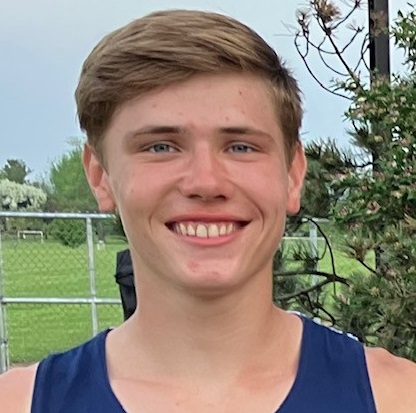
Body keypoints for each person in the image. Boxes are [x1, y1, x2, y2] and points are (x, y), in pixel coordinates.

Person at [1, 9, 415, 413]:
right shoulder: (19, 402)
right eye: (161, 147)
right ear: (99, 175)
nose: (206, 182)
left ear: (292, 174)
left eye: (241, 147)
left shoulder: (398, 397)